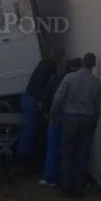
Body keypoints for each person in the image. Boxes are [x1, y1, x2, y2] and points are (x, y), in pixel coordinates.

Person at [52, 52, 101, 197]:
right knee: (83, 154)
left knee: (67, 153)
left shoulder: (70, 78)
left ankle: (66, 187)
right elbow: (97, 105)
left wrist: (55, 115)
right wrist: (94, 122)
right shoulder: (96, 82)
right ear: (93, 65)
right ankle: (78, 188)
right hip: (87, 120)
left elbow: (58, 98)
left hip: (69, 119)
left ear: (82, 63)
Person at [39, 57, 82, 187]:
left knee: (53, 147)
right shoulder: (81, 80)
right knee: (70, 149)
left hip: (57, 115)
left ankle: (51, 178)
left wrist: (48, 112)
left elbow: (49, 96)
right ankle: (68, 179)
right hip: (73, 117)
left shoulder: (58, 77)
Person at [16, 45, 64, 161]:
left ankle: (20, 155)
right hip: (33, 100)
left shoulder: (43, 63)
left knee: (27, 130)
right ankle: (21, 158)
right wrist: (42, 103)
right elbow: (46, 87)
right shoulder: (51, 67)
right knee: (30, 131)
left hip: (27, 97)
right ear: (60, 56)